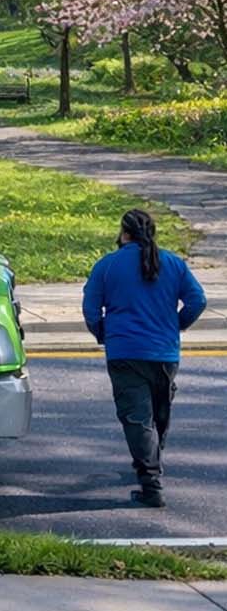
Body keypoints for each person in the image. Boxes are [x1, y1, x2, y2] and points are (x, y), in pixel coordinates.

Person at [82, 209, 206, 508]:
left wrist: (103, 334)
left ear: (124, 233)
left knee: (137, 417)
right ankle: (153, 461)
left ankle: (151, 483)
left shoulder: (108, 266)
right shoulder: (174, 264)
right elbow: (197, 300)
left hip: (125, 352)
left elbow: (90, 309)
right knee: (158, 412)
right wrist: (177, 325)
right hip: (164, 351)